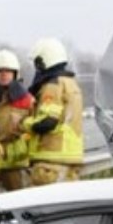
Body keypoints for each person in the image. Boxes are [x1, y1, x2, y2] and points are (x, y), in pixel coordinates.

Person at [23, 37, 84, 185]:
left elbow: (48, 122)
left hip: (51, 160)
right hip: (71, 159)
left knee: (41, 206)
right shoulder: (72, 85)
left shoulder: (52, 85)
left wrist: (26, 124)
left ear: (43, 61)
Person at [0, 49, 34, 193]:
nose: (3, 74)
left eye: (8, 71)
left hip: (17, 164)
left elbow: (35, 127)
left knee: (22, 203)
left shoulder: (26, 100)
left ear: (15, 74)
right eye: (0, 71)